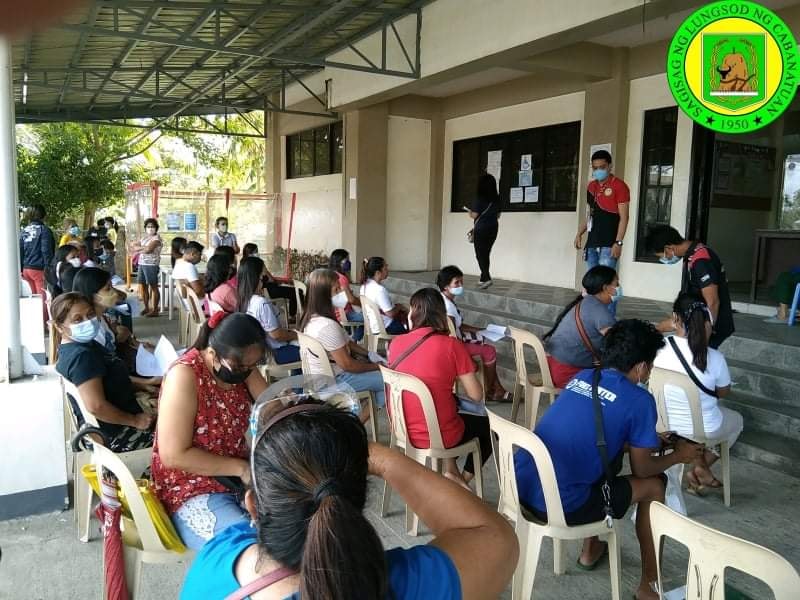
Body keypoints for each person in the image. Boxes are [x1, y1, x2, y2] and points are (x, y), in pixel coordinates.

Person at [180, 402, 518, 600]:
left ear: (253, 506)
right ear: (351, 498)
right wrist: (381, 459)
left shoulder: (216, 561)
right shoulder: (408, 584)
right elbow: (493, 536)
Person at [514, 319, 704, 600]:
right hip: (562, 505)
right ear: (641, 367)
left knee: (608, 458)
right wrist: (680, 455)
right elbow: (643, 468)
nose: (648, 372)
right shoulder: (640, 400)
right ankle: (648, 587)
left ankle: (591, 550)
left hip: (522, 486)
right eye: (649, 365)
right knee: (655, 484)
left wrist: (647, 440)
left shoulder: (583, 377)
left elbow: (594, 434)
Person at [151, 311, 269, 550]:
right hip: (190, 485)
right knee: (248, 547)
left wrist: (287, 409)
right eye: (241, 366)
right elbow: (173, 455)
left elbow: (270, 404)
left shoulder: (241, 365)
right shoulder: (184, 375)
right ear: (213, 354)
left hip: (237, 476)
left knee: (297, 523)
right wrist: (240, 468)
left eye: (252, 365)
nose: (247, 371)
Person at [388, 288, 491, 487]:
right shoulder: (452, 346)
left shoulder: (396, 343)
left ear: (412, 314)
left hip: (402, 428)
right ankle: (460, 482)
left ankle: (450, 471)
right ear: (442, 315)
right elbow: (477, 395)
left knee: (443, 407)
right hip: (439, 434)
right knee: (488, 427)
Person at [653, 293, 743, 494]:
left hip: (663, 425)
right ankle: (701, 468)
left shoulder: (659, 348)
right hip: (705, 429)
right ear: (707, 323)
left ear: (675, 320)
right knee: (737, 421)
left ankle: (699, 466)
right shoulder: (715, 358)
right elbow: (723, 392)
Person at [53, 292, 155, 452]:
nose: (88, 322)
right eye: (78, 319)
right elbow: (96, 406)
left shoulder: (82, 346)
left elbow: (107, 380)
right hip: (115, 434)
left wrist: (143, 385)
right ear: (60, 327)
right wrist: (135, 421)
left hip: (116, 421)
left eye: (90, 314)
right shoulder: (81, 357)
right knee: (186, 429)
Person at [301, 269, 387, 406]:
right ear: (324, 296)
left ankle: (362, 412)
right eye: (337, 289)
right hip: (333, 383)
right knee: (390, 381)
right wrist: (377, 367)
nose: (342, 292)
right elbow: (348, 365)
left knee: (381, 380)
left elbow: (346, 341)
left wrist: (370, 353)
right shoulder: (327, 326)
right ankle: (356, 422)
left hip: (324, 379)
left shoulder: (313, 319)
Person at [644, 225, 734, 349]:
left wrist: (702, 339)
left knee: (697, 364)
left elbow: (712, 302)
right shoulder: (691, 256)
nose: (663, 259)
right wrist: (659, 328)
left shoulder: (701, 260)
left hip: (707, 327)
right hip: (696, 321)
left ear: (668, 248)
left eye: (661, 256)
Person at [437, 265, 510, 401]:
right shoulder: (448, 307)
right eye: (456, 283)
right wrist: (465, 358)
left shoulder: (444, 300)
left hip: (455, 339)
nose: (461, 285)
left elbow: (457, 326)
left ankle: (496, 388)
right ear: (446, 286)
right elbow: (451, 333)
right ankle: (492, 390)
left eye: (461, 281)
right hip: (454, 344)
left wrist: (480, 330)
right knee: (489, 351)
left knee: (484, 339)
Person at [542, 266, 620, 388]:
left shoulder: (585, 302)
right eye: (616, 284)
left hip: (551, 367)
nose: (619, 288)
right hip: (568, 374)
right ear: (606, 288)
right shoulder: (600, 312)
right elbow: (620, 344)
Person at [574, 150, 630, 272]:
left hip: (609, 244)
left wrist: (618, 243)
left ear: (610, 166)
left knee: (605, 281)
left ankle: (616, 292)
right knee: (593, 282)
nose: (598, 171)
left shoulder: (620, 186)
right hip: (592, 242)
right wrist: (579, 233)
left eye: (602, 167)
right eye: (595, 168)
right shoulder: (591, 187)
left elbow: (624, 218)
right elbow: (590, 214)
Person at [237, 256, 300, 365]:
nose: (265, 278)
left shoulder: (243, 299)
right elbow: (277, 335)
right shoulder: (260, 303)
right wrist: (298, 335)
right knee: (311, 350)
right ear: (257, 278)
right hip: (275, 353)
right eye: (263, 275)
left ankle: (296, 379)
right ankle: (297, 380)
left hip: (260, 352)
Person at [19, 204, 55, 323]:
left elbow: (20, 250)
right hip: (39, 269)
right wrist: (49, 267)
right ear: (43, 215)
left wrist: (20, 268)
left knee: (34, 298)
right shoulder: (44, 230)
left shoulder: (24, 231)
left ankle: (35, 324)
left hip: (26, 269)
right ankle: (43, 324)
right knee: (43, 298)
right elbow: (46, 250)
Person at [468, 173, 501, 289]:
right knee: (486, 253)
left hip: (481, 229)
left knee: (480, 254)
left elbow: (474, 215)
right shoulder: (497, 199)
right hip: (493, 228)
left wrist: (470, 213)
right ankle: (483, 278)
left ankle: (487, 278)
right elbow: (498, 215)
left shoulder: (479, 198)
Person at [359, 257, 408, 335]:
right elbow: (390, 314)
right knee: (409, 330)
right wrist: (399, 307)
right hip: (385, 326)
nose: (388, 270)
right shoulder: (379, 290)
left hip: (372, 325)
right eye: (385, 268)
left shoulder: (364, 286)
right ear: (378, 273)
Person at [129, 218, 163, 317]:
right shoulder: (144, 238)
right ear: (145, 228)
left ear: (156, 228)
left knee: (153, 287)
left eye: (152, 227)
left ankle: (155, 309)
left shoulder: (157, 239)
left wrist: (139, 249)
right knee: (143, 286)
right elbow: (133, 246)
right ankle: (147, 307)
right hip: (142, 264)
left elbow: (149, 250)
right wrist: (143, 249)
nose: (150, 228)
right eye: (148, 227)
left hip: (151, 265)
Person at [330, 248, 363, 341]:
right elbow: (351, 299)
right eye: (347, 260)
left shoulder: (330, 274)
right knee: (371, 318)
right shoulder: (341, 278)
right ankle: (354, 340)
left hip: (334, 312)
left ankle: (353, 339)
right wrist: (364, 304)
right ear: (340, 262)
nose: (349, 263)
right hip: (345, 314)